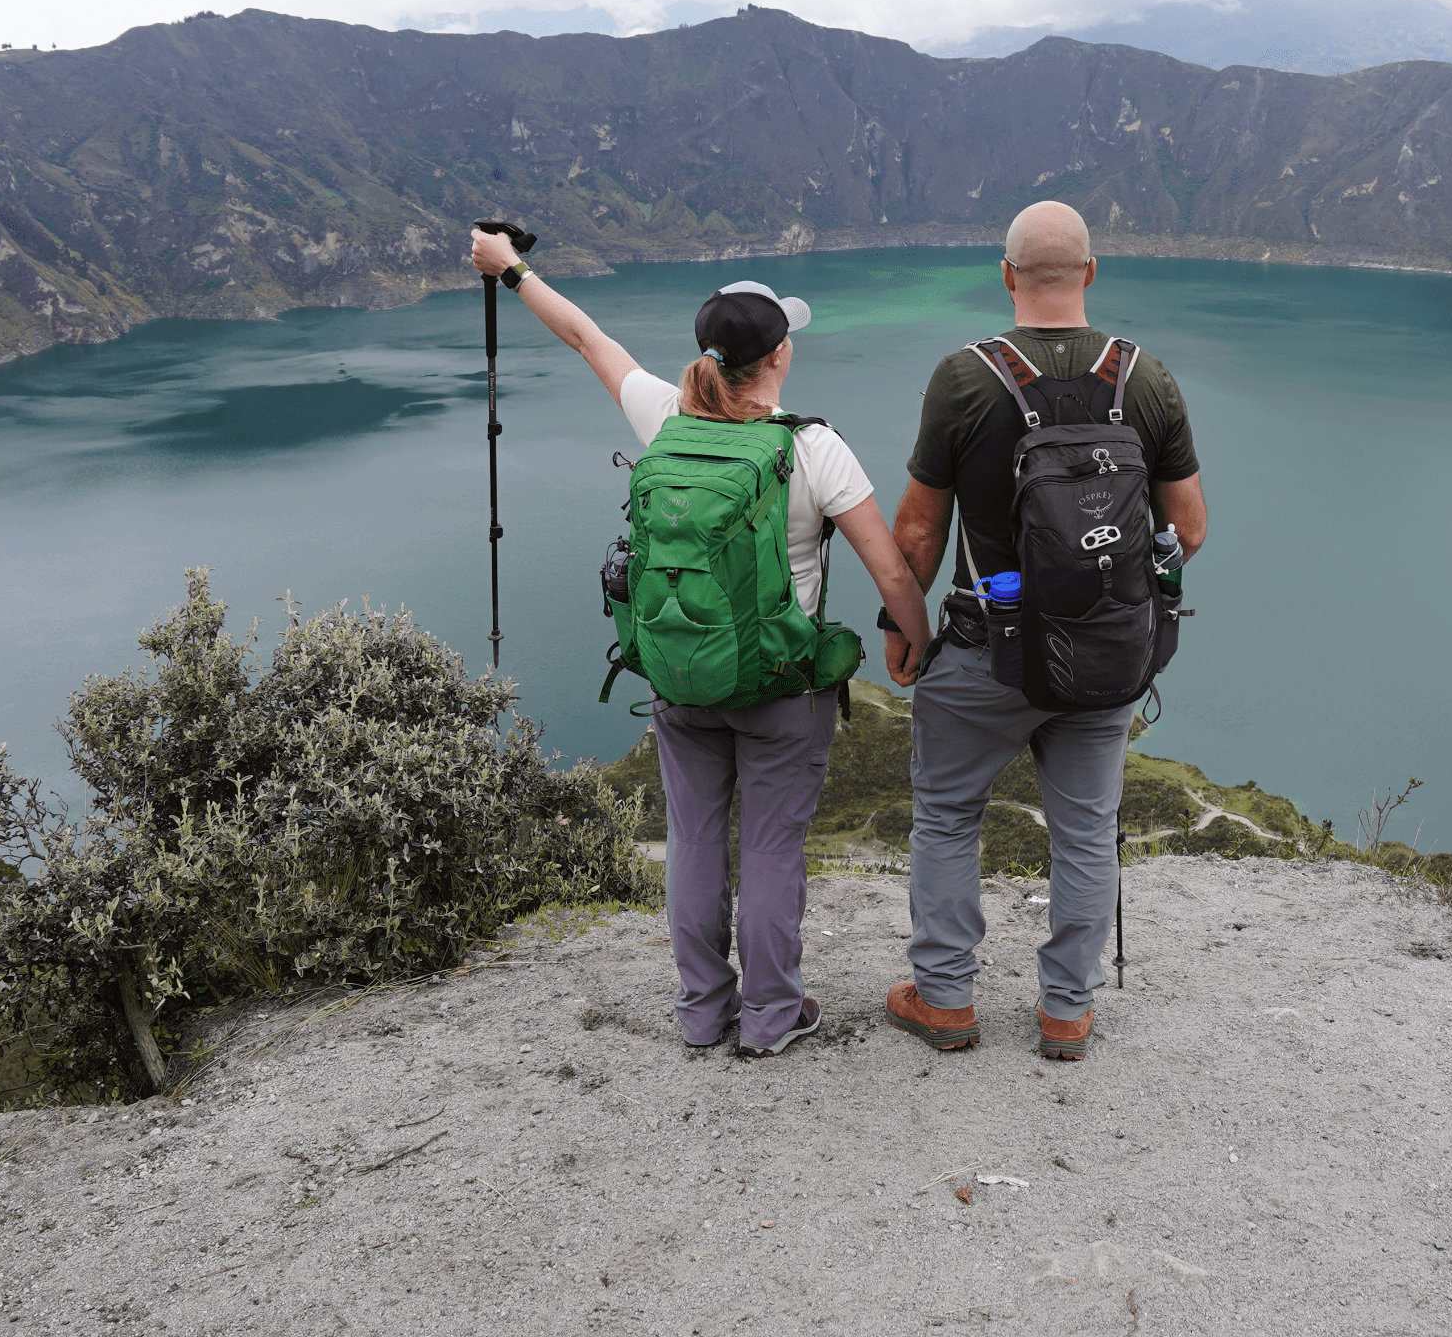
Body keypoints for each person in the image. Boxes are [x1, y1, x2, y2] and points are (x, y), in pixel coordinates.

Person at [468, 229, 932, 1057]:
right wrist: (911, 643)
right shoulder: (811, 446)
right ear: (779, 356)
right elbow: (893, 573)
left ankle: (700, 1013)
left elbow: (585, 337)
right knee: (770, 848)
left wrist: (513, 271)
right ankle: (770, 1015)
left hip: (682, 675)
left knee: (692, 841)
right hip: (782, 688)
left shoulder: (664, 415)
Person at [882, 201, 1207, 1060]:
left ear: (1006, 275)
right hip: (1104, 655)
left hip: (984, 650)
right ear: (1091, 275)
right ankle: (1066, 1009)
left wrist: (902, 625)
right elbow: (1192, 528)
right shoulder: (1148, 376)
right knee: (1086, 830)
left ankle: (946, 999)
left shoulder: (962, 377)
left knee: (950, 816)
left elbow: (917, 533)